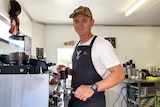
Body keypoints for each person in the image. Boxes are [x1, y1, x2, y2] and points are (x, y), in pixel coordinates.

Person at [56, 6, 125, 107]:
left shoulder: (101, 44)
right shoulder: (78, 45)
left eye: (84, 20)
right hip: (75, 100)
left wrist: (92, 88)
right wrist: (68, 71)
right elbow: (81, 71)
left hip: (93, 102)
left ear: (92, 22)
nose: (80, 24)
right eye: (76, 21)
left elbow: (119, 75)